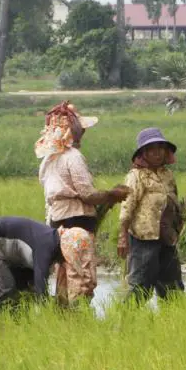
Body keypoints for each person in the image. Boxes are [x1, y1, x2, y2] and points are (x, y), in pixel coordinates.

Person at [36, 101, 129, 305]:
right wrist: (112, 195)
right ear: (74, 132)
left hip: (55, 225)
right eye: (81, 130)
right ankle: (78, 316)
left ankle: (62, 314)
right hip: (76, 225)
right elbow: (87, 194)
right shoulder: (73, 157)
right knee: (81, 276)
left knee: (64, 273)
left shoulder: (48, 159)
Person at [118, 128, 184, 302]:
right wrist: (122, 236)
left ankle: (173, 319)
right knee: (140, 282)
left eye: (160, 148)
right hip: (144, 238)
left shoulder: (167, 175)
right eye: (152, 149)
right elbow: (127, 206)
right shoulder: (136, 176)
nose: (157, 153)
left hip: (167, 237)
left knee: (172, 283)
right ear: (143, 153)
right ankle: (127, 319)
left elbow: (174, 202)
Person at [0, 216, 80, 311]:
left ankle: (17, 324)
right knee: (4, 291)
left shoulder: (51, 243)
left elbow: (33, 280)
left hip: (9, 252)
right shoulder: (47, 245)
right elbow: (40, 287)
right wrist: (47, 312)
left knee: (24, 289)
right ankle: (2, 329)